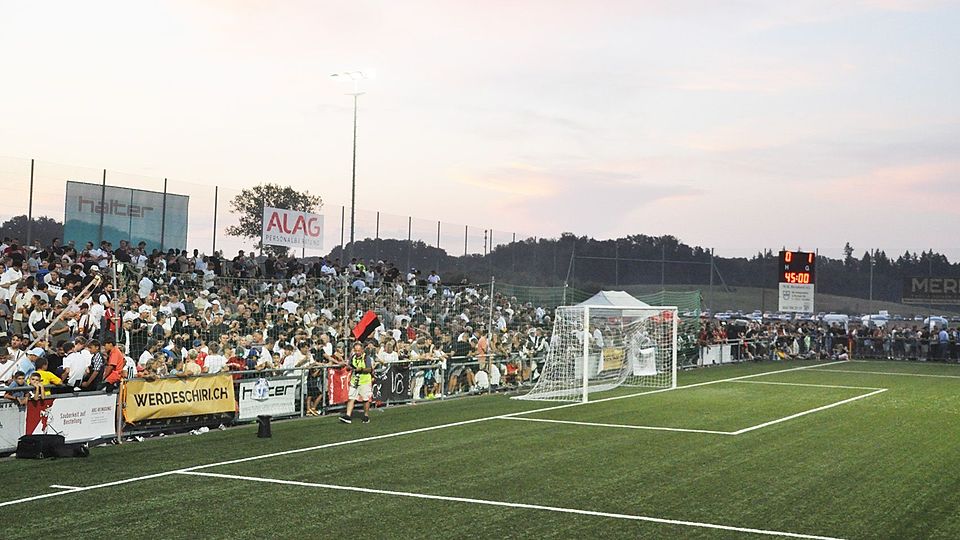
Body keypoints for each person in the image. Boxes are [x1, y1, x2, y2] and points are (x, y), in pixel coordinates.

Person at [339, 341, 374, 424]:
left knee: (365, 399)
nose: (357, 352)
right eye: (356, 350)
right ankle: (348, 416)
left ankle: (366, 416)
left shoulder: (367, 358)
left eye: (359, 350)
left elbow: (369, 369)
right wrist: (348, 367)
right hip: (354, 381)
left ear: (362, 350)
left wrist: (361, 369)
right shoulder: (353, 357)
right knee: (351, 398)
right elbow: (350, 366)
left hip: (364, 381)